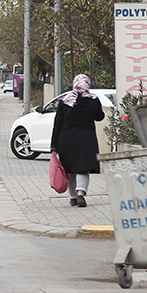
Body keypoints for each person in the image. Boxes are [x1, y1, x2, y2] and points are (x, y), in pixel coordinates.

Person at [51, 73, 104, 207]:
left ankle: (73, 197)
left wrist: (54, 145)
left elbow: (57, 123)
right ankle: (81, 194)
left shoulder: (66, 100)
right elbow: (99, 117)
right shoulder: (93, 100)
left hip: (66, 138)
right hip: (86, 138)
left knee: (70, 169)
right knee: (83, 168)